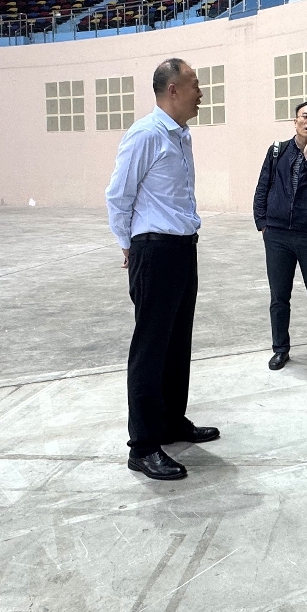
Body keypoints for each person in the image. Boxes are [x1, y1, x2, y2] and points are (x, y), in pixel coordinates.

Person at [105, 58, 220, 482]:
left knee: (176, 342)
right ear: (173, 90)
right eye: (195, 85)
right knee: (151, 348)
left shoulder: (181, 135)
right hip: (154, 250)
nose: (200, 93)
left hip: (182, 249)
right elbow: (118, 195)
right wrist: (129, 245)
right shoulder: (146, 134)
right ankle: (143, 445)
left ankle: (170, 421)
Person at [252, 100, 307, 372]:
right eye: (305, 116)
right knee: (279, 297)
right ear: (295, 121)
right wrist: (263, 224)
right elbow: (263, 187)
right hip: (277, 236)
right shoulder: (277, 151)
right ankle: (280, 349)